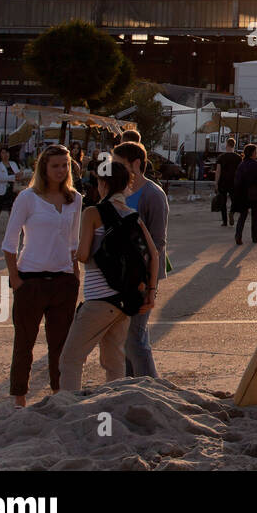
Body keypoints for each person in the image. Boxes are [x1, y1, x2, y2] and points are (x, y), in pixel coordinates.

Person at [58, 160, 160, 393]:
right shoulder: (131, 215)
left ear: (103, 183)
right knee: (114, 362)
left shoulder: (93, 212)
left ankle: (68, 407)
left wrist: (72, 251)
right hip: (125, 300)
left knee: (70, 359)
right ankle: (114, 406)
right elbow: (154, 254)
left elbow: (83, 255)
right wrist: (151, 293)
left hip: (99, 300)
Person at [1, 144, 82, 407]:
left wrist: (74, 274)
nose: (61, 170)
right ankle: (19, 398)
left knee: (60, 343)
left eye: (65, 165)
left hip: (63, 281)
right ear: (44, 168)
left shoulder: (75, 199)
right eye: (55, 165)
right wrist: (15, 280)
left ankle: (59, 394)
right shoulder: (28, 198)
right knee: (24, 342)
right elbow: (9, 241)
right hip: (31, 279)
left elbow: (74, 241)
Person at [111, 141, 169, 378]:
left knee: (135, 337)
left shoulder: (153, 195)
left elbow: (158, 243)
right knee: (127, 337)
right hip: (121, 276)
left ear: (136, 164)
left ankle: (150, 386)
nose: (114, 168)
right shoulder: (121, 193)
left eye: (119, 164)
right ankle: (131, 384)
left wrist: (150, 286)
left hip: (143, 277)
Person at [232, 143, 257, 245]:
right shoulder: (256, 164)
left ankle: (238, 235)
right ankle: (254, 237)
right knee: (255, 216)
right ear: (252, 153)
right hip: (254, 193)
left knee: (242, 215)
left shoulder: (241, 164)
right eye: (255, 151)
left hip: (243, 193)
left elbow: (237, 181)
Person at [0, 146, 21, 238]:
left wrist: (18, 176)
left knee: (12, 211)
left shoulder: (13, 163)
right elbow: (0, 178)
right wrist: (14, 177)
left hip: (12, 190)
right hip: (1, 191)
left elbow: (18, 174)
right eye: (3, 153)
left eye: (7, 153)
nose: (6, 155)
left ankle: (12, 231)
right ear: (0, 155)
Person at [213, 138, 241, 228]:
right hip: (234, 182)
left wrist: (216, 183)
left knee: (223, 202)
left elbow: (218, 171)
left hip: (223, 182)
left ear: (227, 145)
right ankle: (232, 212)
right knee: (234, 200)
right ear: (234, 145)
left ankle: (224, 221)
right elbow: (240, 171)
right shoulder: (238, 157)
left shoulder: (221, 157)